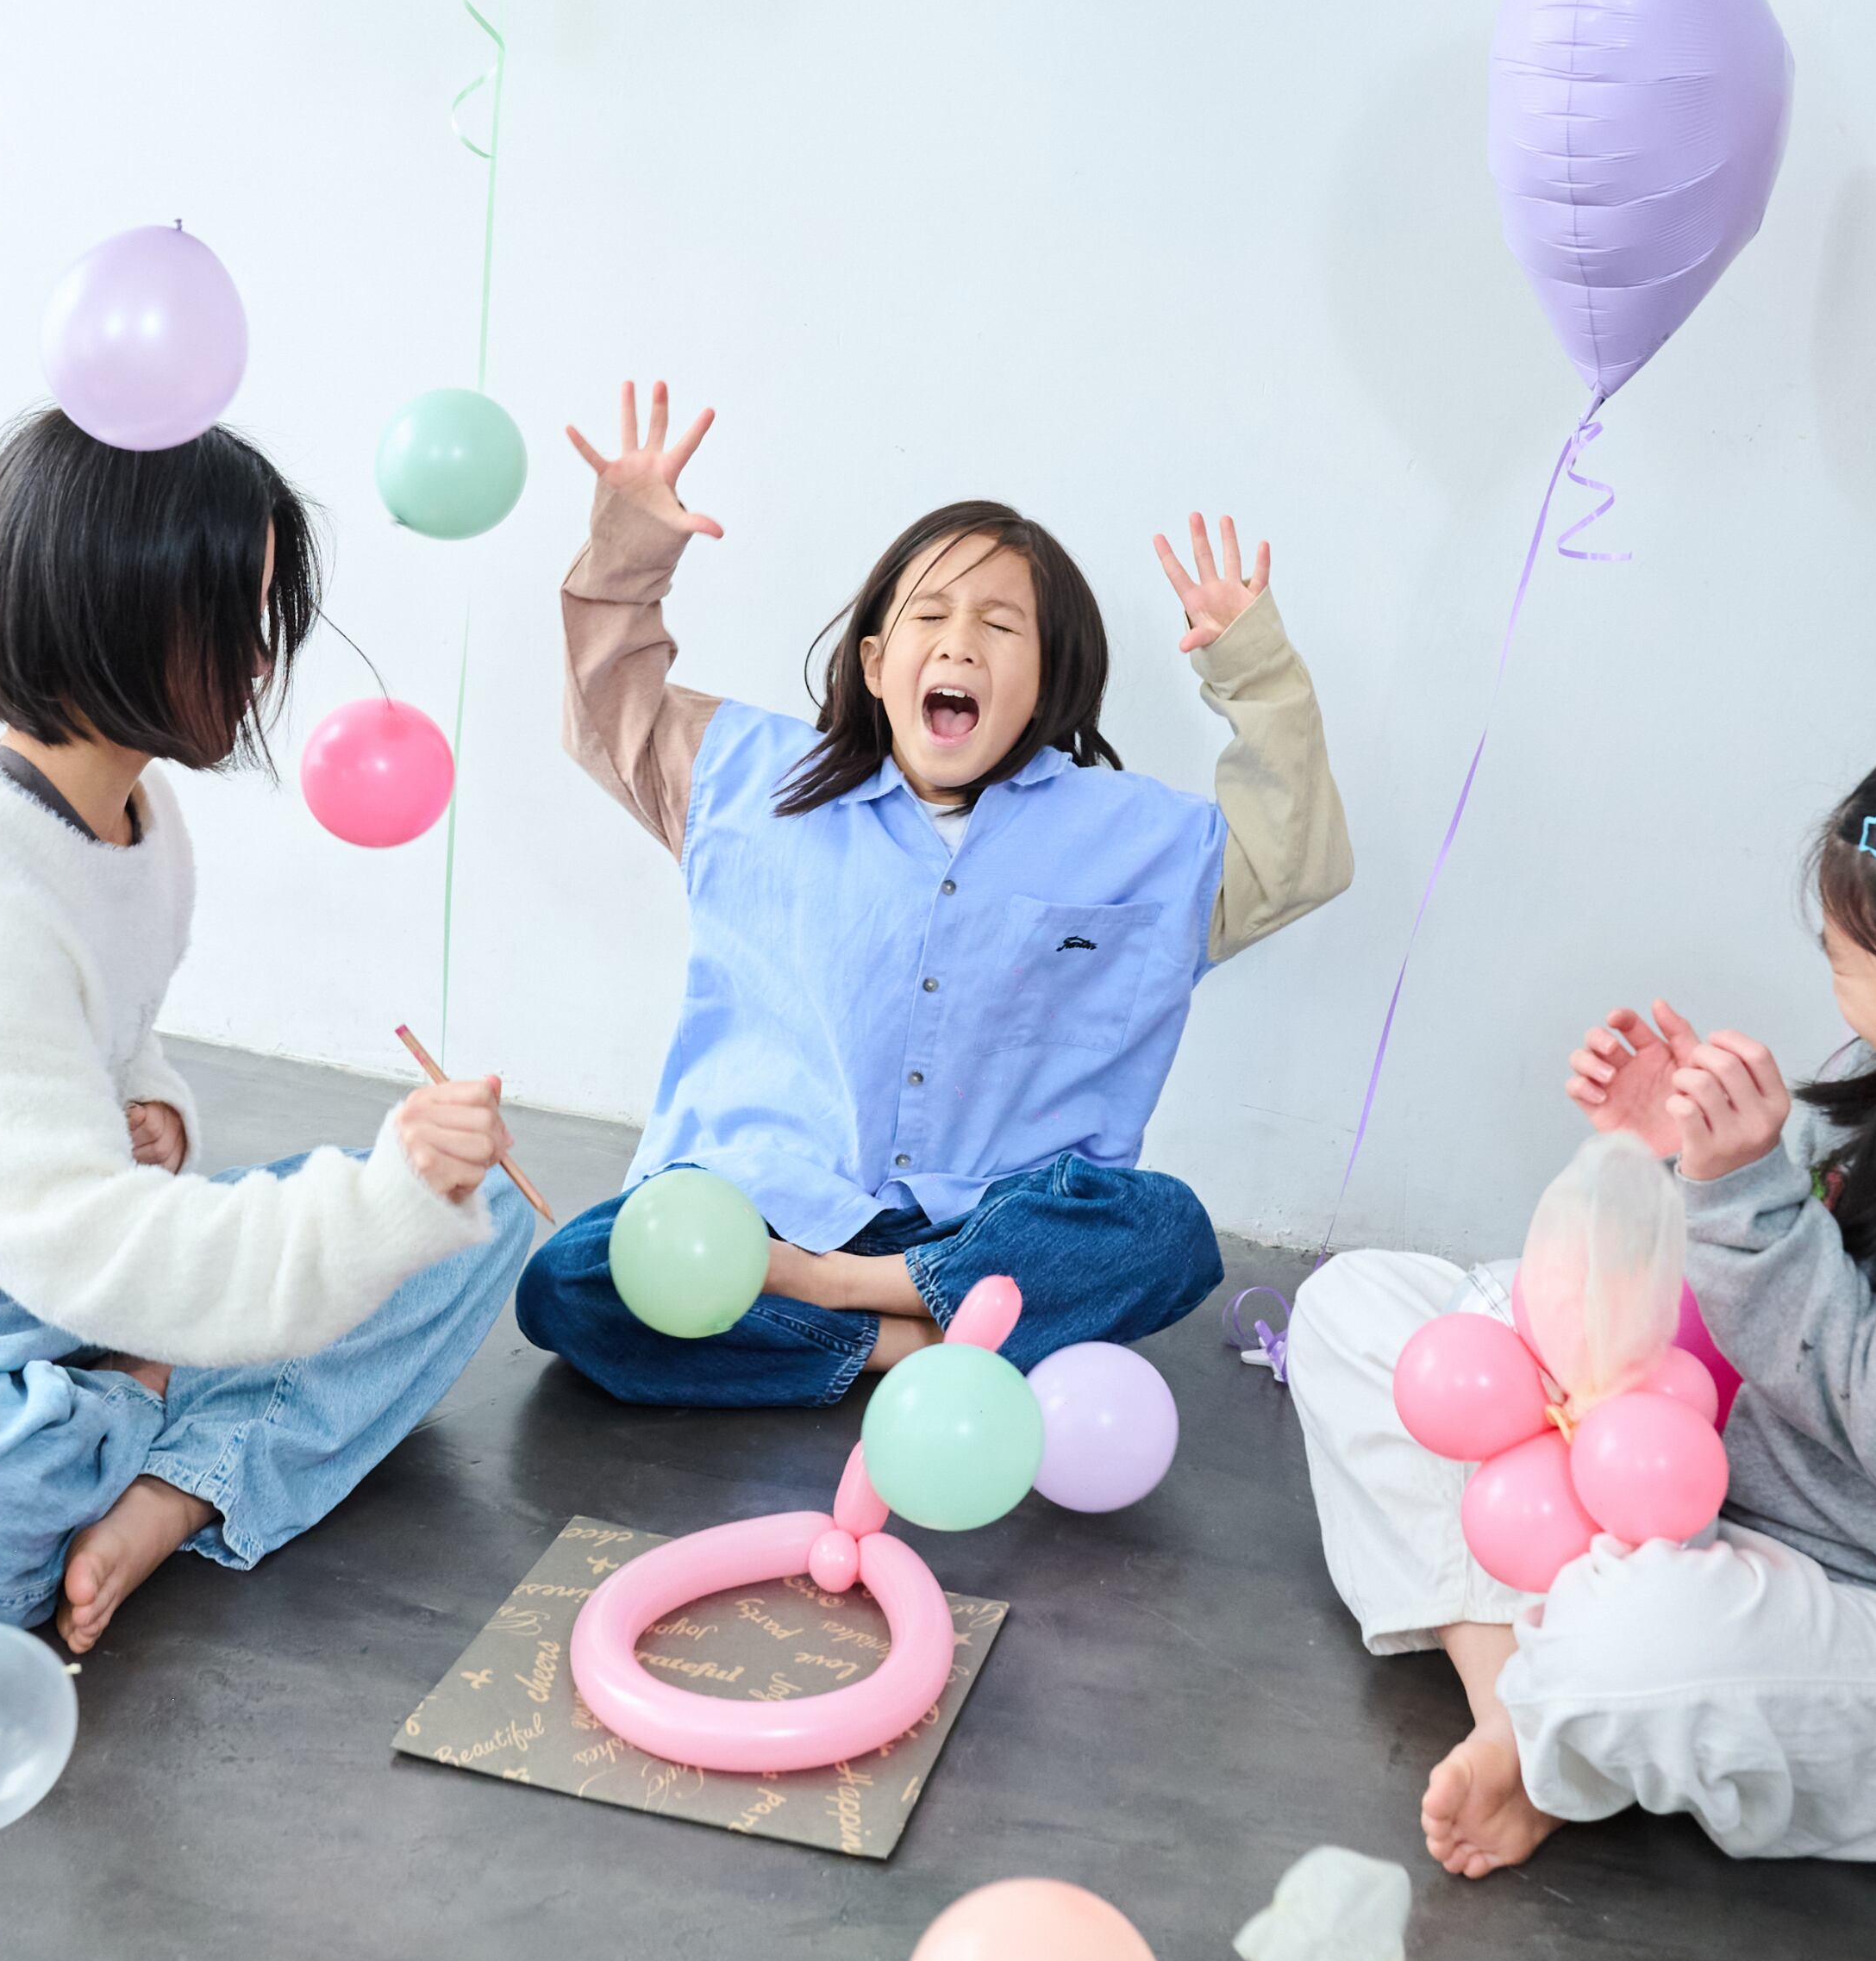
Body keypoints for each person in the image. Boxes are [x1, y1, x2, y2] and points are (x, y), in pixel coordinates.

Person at [1287, 722, 1876, 1880]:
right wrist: (1677, 1157)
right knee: (1359, 1307)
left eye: (1845, 961)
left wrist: (1739, 1189)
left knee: (1629, 1640)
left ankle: (1554, 1708)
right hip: (1747, 1513)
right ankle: (1520, 1720)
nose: (1834, 985)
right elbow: (1797, 1316)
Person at [0, 409, 534, 1653]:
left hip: (50, 1275)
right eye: (235, 619)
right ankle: (165, 1413)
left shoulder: (142, 821)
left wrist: (159, 1111)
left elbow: (117, 1040)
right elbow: (96, 1246)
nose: (262, 663)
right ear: (119, 605)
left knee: (479, 1209)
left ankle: (164, 1489)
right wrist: (164, 1339)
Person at [517, 379, 1353, 1401]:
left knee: (1165, 1232)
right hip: (763, 1211)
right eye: (930, 614)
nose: (959, 641)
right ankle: (918, 1343)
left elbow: (1296, 860)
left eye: (1000, 625)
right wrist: (629, 553)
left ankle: (834, 1300)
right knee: (573, 1280)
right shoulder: (745, 776)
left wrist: (1253, 670)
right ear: (876, 663)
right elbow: (609, 705)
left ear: (1044, 681)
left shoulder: (1134, 839)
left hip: (992, 1225)